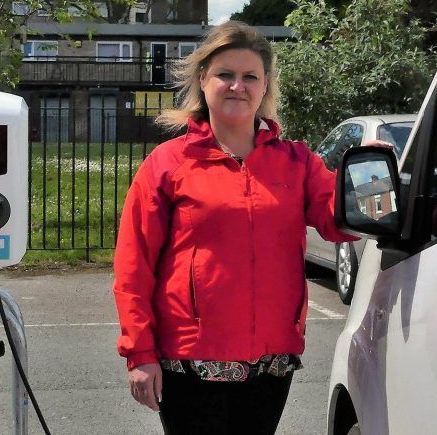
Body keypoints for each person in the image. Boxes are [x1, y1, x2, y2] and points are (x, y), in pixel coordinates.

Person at [112, 21, 359, 434]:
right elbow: (133, 267)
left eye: (250, 77)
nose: (236, 86)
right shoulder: (168, 163)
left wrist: (392, 191)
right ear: (203, 80)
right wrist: (140, 353)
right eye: (225, 74)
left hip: (271, 363)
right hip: (188, 364)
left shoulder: (296, 163)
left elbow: (342, 220)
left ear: (264, 88)